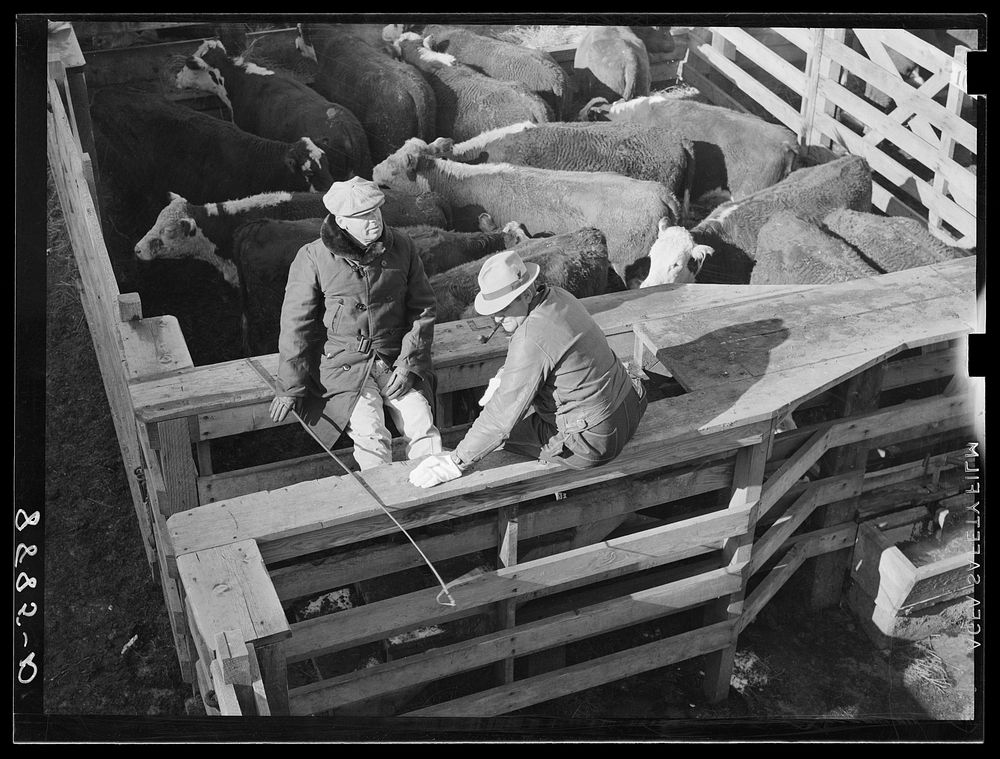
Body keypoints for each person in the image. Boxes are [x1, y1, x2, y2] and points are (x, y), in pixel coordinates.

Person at [409, 250, 647, 488]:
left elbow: (501, 419)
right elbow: (551, 351)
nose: (497, 320)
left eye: (504, 309)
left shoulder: (530, 337)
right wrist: (506, 373)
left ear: (527, 293)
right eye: (494, 311)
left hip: (593, 441)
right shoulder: (559, 297)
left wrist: (456, 461)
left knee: (500, 441)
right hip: (629, 405)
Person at [269, 176, 442, 470]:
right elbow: (295, 326)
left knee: (421, 421)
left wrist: (408, 363)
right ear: (341, 221)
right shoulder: (312, 257)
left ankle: (433, 497)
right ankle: (384, 504)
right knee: (371, 433)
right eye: (361, 216)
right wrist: (290, 386)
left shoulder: (402, 246)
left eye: (375, 211)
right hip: (343, 364)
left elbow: (422, 308)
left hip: (392, 359)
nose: (373, 220)